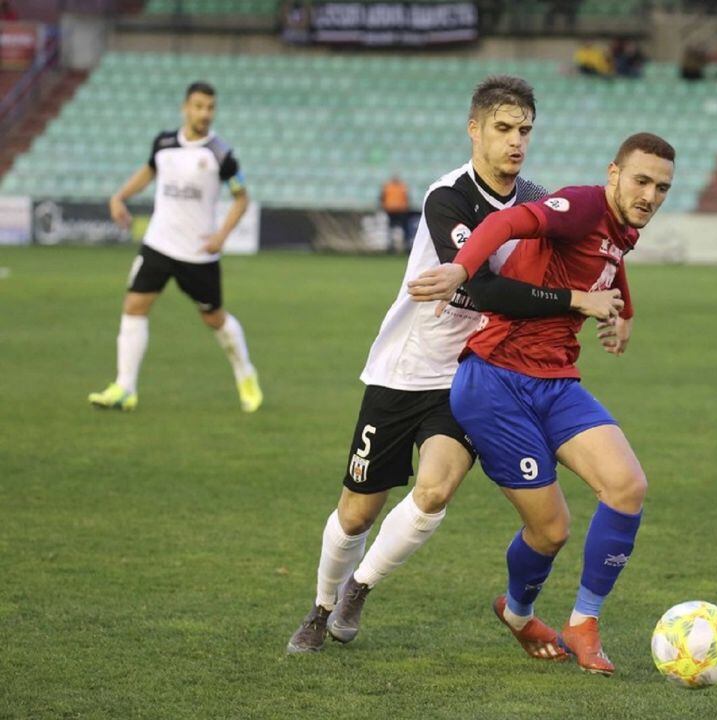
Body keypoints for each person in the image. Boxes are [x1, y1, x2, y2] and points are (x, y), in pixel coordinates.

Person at [285, 75, 623, 655]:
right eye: (503, 128)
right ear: (475, 129)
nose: (516, 141)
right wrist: (573, 301)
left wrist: (617, 306)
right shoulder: (449, 198)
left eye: (525, 130)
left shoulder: (539, 202)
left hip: (473, 373)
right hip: (403, 367)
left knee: (435, 491)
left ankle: (355, 593)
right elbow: (481, 289)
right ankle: (320, 601)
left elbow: (596, 247)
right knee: (357, 510)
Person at [407, 132, 676, 676]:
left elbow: (613, 261)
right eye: (641, 180)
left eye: (662, 187)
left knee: (627, 487)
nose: (649, 195)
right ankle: (518, 612)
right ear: (613, 174)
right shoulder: (580, 205)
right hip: (495, 381)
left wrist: (624, 317)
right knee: (552, 531)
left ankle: (584, 623)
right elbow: (506, 223)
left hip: (556, 381)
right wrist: (462, 269)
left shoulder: (622, 227)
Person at [89, 82, 261, 413]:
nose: (205, 113)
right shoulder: (164, 143)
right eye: (199, 106)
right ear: (186, 108)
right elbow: (150, 170)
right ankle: (125, 387)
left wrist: (221, 235)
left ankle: (245, 373)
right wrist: (120, 196)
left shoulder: (221, 154)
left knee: (214, 319)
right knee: (134, 305)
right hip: (157, 244)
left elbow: (242, 198)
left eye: (210, 107)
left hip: (197, 254)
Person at [380, 173, 411, 253]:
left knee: (400, 229)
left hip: (399, 210)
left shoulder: (397, 186)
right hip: (393, 210)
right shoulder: (393, 186)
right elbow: (382, 197)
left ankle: (404, 245)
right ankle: (392, 245)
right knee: (393, 229)